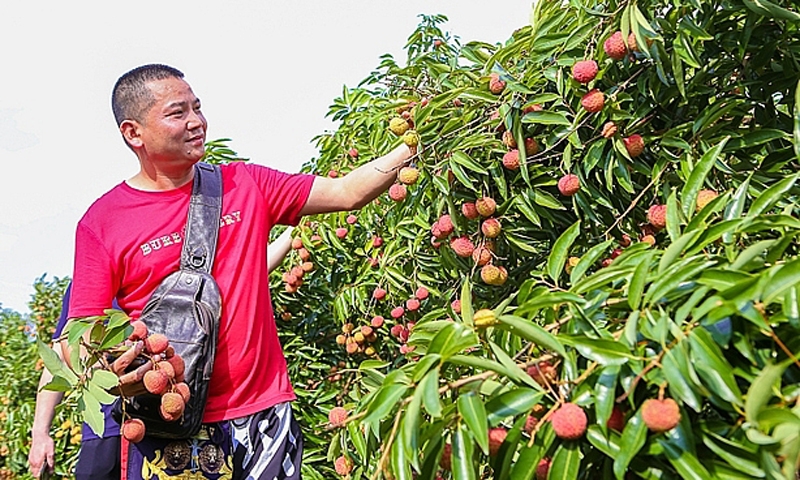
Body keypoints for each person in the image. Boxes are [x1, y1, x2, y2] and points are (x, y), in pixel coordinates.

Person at [56, 64, 414, 479]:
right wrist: (116, 372)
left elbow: (347, 192)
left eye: (198, 108)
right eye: (178, 113)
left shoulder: (245, 184)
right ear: (133, 133)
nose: (196, 122)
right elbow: (77, 331)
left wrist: (417, 139)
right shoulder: (104, 222)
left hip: (263, 416)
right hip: (170, 428)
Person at [29, 226, 298, 479]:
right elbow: (61, 359)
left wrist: (292, 234)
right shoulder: (85, 287)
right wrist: (40, 433)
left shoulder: (171, 276)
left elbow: (242, 278)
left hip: (164, 427)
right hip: (105, 432)